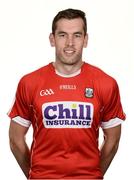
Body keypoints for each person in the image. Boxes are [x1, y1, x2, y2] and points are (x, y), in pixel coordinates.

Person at [8, 8, 126, 179]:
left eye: (77, 35)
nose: (70, 42)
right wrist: (35, 175)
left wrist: (92, 174)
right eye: (63, 35)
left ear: (85, 40)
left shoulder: (106, 83)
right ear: (52, 39)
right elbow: (15, 140)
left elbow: (113, 141)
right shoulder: (30, 82)